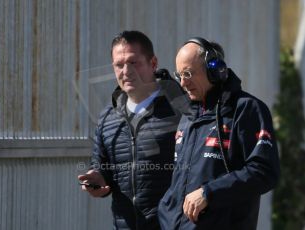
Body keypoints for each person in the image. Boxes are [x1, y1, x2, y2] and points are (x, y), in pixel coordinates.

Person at [158, 37, 280, 229]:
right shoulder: (187, 117)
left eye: (188, 74)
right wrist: (166, 211)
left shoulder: (247, 109)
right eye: (179, 75)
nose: (182, 83)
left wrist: (209, 193)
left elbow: (264, 172)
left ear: (214, 70)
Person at [78, 30, 184, 229]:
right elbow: (101, 163)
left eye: (133, 62)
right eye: (119, 64)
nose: (126, 71)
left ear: (153, 64)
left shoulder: (181, 109)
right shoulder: (107, 116)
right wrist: (98, 178)